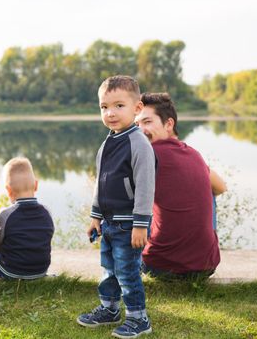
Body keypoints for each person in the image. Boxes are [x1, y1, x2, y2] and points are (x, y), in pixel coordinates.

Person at [77, 76, 155, 338]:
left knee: (127, 271)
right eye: (104, 107)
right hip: (109, 223)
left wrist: (141, 224)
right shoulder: (107, 142)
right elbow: (101, 183)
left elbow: (145, 187)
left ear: (137, 108)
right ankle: (109, 308)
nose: (110, 113)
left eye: (119, 106)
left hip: (130, 224)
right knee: (108, 267)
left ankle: (138, 317)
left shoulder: (139, 143)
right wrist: (95, 217)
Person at [135, 92, 223, 280]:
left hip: (158, 267)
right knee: (209, 190)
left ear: (169, 124)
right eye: (136, 125)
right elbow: (221, 187)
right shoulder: (194, 155)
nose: (140, 130)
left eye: (147, 122)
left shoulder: (146, 155)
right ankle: (194, 251)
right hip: (206, 267)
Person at [0, 157, 54, 280]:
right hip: (40, 271)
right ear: (36, 185)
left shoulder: (5, 215)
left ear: (8, 190)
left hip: (11, 272)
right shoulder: (47, 212)